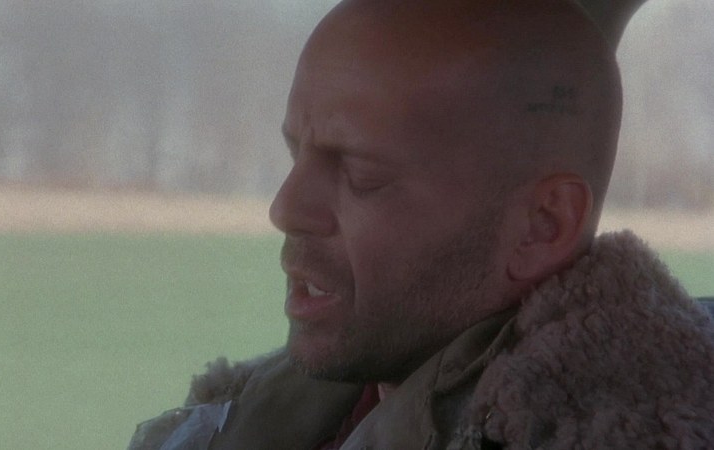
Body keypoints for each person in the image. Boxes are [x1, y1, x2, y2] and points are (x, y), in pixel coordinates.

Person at [130, 0, 714, 448]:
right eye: (296, 154)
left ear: (541, 225)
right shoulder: (251, 414)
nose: (286, 208)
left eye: (361, 174)